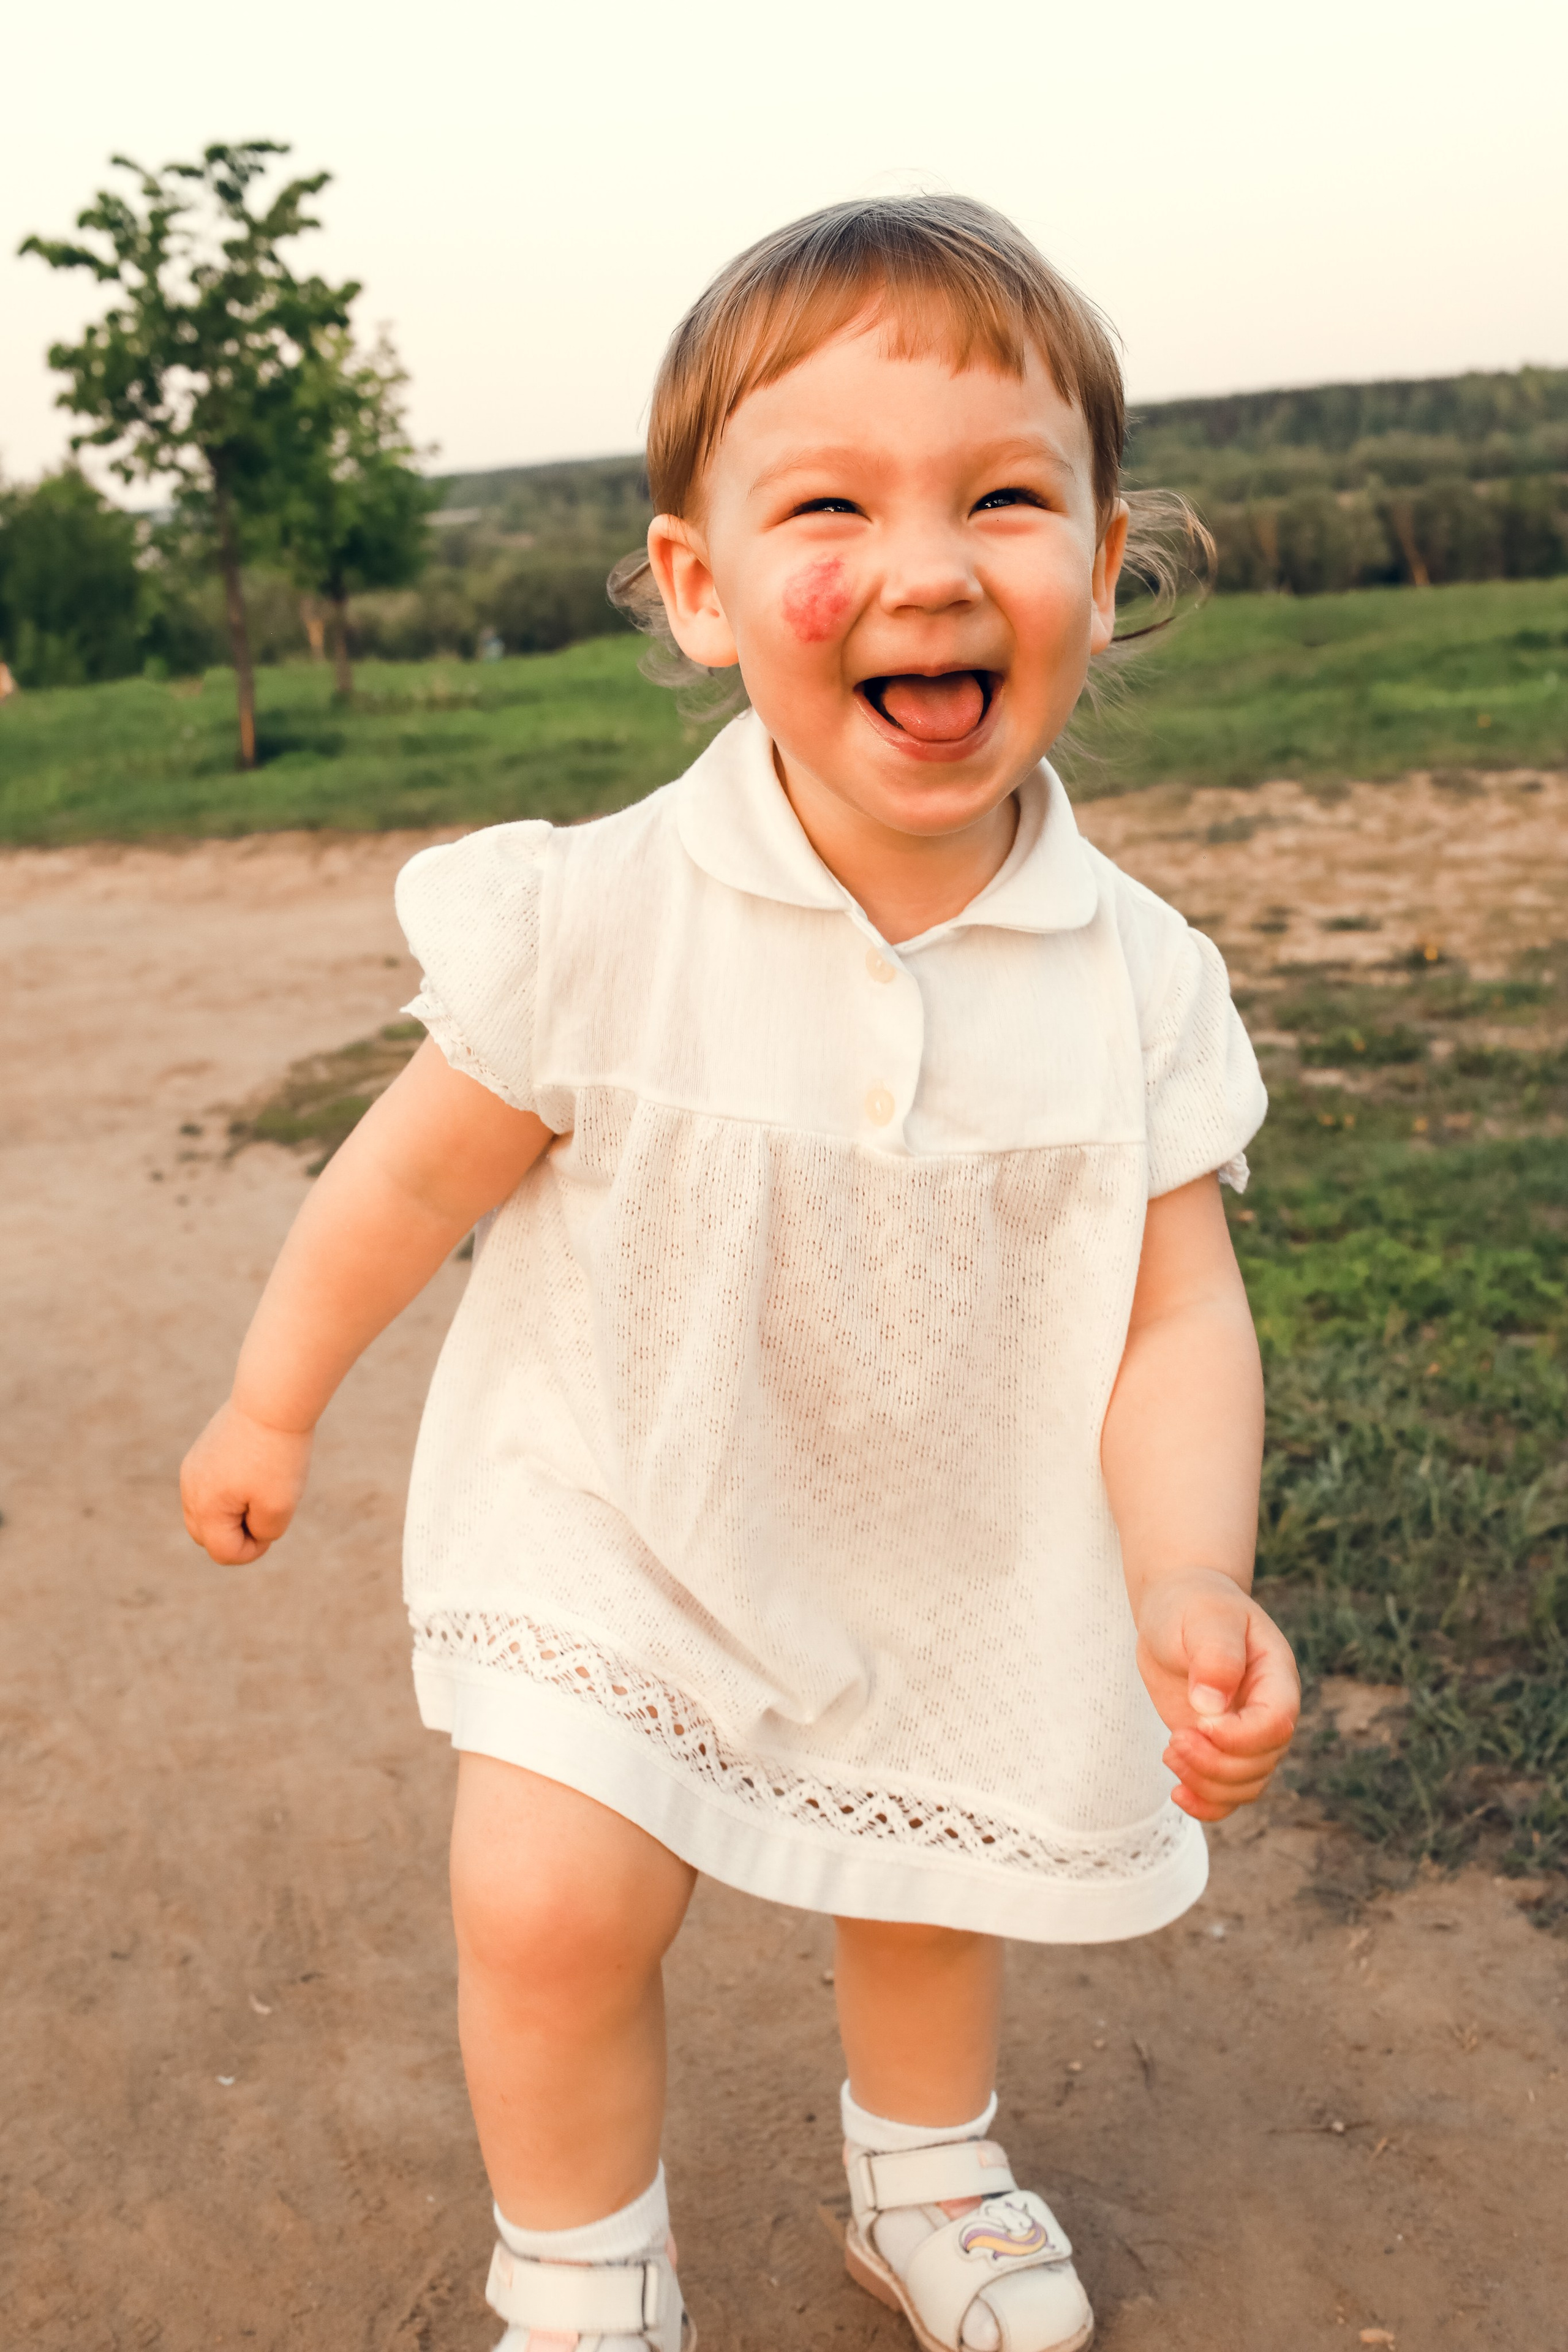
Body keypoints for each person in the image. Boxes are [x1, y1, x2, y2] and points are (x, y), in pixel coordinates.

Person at [181, 195, 1299, 2352]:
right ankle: (584, 2278)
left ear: (1106, 553)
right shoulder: (598, 918)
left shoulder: (1140, 980)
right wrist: (271, 1398)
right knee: (545, 1903)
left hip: (950, 1531)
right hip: (617, 1504)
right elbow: (406, 1184)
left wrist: (1185, 1572)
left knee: (927, 1865)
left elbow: (1177, 1316)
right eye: (828, 505)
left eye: (1003, 495)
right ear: (700, 590)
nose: (928, 563)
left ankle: (927, 2173)